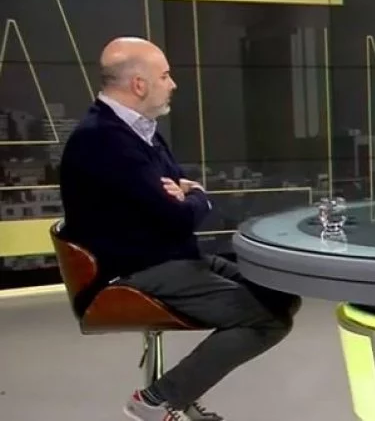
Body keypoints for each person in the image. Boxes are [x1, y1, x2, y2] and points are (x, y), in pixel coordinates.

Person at [59, 36, 301, 421]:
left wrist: (185, 196)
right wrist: (197, 196)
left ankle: (177, 393)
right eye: (165, 76)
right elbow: (181, 214)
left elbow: (177, 189)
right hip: (134, 270)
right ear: (139, 84)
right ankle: (157, 399)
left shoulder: (140, 130)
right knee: (267, 318)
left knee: (281, 296)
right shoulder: (103, 140)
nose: (173, 84)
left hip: (171, 256)